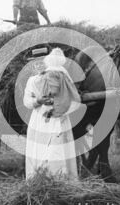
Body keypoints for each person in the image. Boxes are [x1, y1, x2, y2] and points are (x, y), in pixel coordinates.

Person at [23, 48, 84, 181]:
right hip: (40, 119)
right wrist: (38, 101)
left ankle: (61, 181)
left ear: (48, 61)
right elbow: (27, 102)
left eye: (41, 62)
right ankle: (38, 180)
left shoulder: (61, 77)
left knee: (57, 150)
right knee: (39, 150)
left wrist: (60, 107)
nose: (38, 66)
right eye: (34, 63)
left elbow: (72, 99)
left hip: (59, 119)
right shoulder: (32, 81)